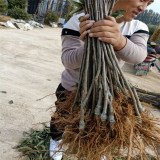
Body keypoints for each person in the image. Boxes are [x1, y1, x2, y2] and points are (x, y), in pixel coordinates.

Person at [50, 0, 154, 159]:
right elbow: (68, 60)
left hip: (107, 92)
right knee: (61, 120)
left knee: (102, 125)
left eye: (149, 2)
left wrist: (119, 40)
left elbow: (139, 56)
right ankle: (56, 144)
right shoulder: (79, 20)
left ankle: (100, 149)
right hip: (71, 89)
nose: (143, 7)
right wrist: (89, 43)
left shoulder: (138, 26)